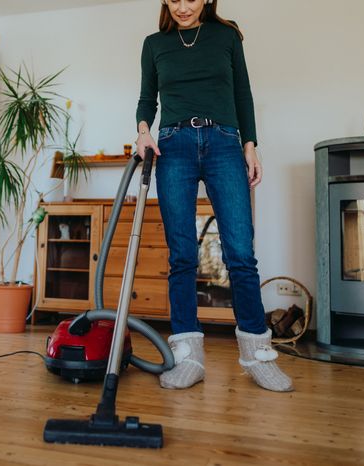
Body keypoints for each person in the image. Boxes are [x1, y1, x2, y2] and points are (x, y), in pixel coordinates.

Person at [135, 0, 292, 392]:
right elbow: (146, 99)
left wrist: (251, 145)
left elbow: (243, 93)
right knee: (182, 255)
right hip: (173, 146)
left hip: (224, 142)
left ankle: (258, 356)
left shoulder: (226, 36)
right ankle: (188, 358)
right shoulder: (154, 44)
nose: (182, 6)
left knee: (240, 252)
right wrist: (142, 131)